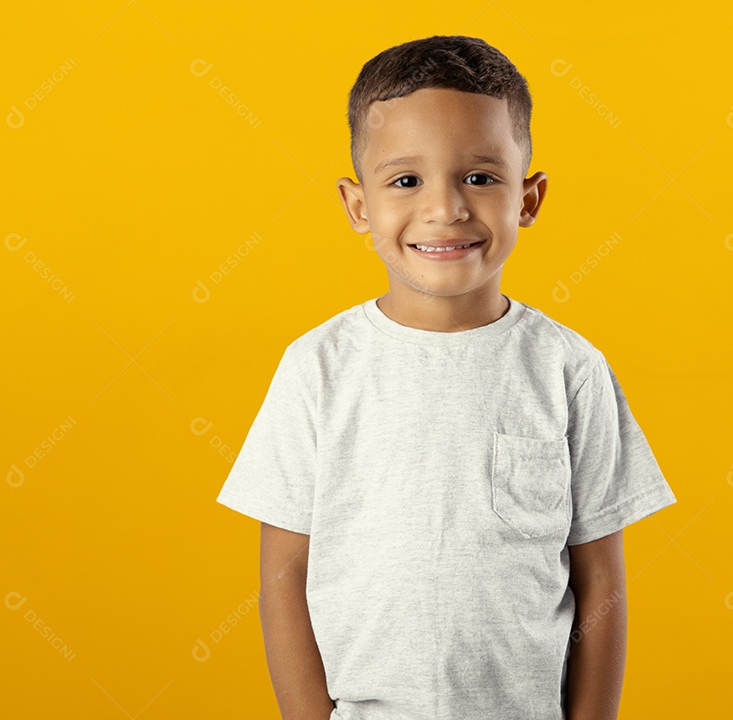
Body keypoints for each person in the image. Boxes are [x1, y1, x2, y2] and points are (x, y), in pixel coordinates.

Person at [216, 34, 677, 720]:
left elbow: (600, 581)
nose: (447, 208)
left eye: (481, 177)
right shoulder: (317, 367)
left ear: (529, 196)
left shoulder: (569, 370)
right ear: (358, 205)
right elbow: (284, 576)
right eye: (406, 180)